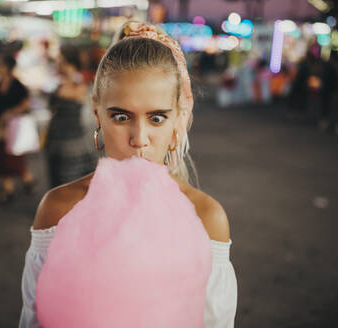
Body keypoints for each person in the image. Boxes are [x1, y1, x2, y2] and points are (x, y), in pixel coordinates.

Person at [19, 22, 237, 327]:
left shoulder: (208, 219)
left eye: (157, 118)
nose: (139, 138)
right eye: (121, 117)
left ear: (178, 119)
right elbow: (33, 319)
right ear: (97, 113)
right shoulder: (57, 209)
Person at [44, 44, 97, 188]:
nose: (58, 63)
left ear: (68, 62)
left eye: (61, 60)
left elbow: (73, 95)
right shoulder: (60, 82)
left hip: (71, 142)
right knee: (56, 182)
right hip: (55, 139)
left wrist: (67, 76)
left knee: (68, 184)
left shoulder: (78, 83)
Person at [0, 54, 35, 202]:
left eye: (0, 64)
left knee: (14, 157)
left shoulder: (16, 84)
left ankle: (25, 180)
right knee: (1, 156)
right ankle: (12, 187)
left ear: (7, 67)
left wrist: (9, 113)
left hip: (12, 127)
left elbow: (26, 104)